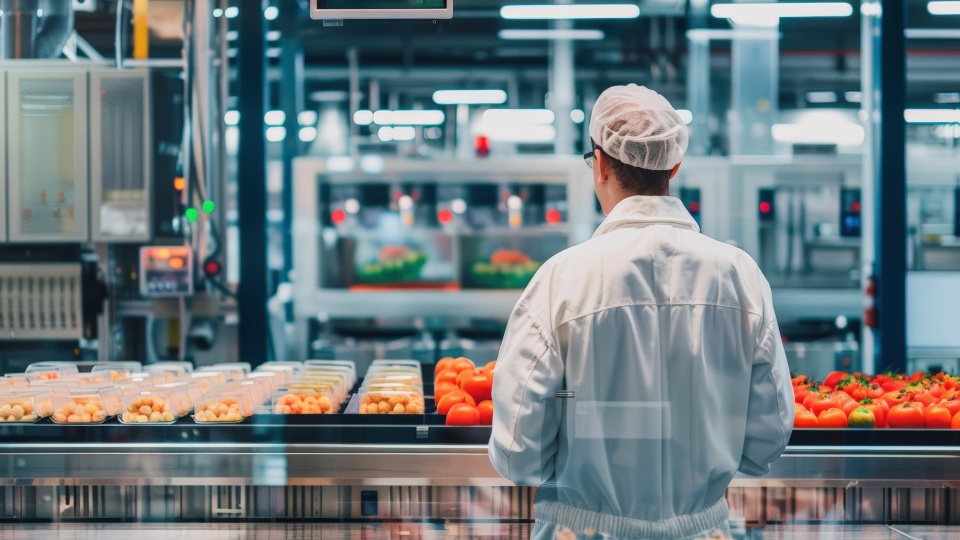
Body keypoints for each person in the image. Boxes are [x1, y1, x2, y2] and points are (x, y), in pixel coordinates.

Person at [488, 85, 794, 540]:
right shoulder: (740, 276)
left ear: (603, 164)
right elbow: (767, 441)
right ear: (674, 165)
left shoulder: (561, 280)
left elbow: (519, 455)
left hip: (583, 532)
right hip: (703, 530)